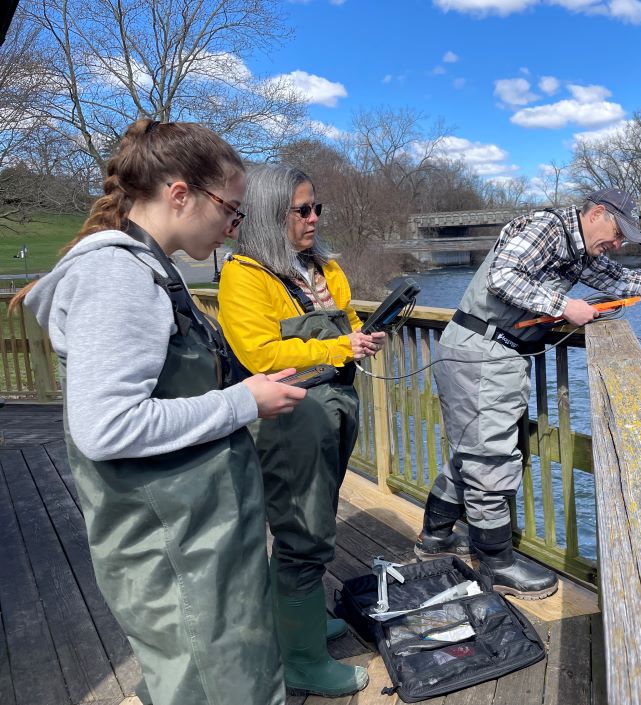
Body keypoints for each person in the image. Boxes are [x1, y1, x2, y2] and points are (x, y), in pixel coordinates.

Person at [14, 119, 308, 705]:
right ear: (181, 194)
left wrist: (242, 392)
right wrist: (241, 401)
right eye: (231, 208)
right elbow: (107, 427)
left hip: (197, 540)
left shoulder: (149, 269)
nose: (234, 226)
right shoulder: (116, 275)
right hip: (176, 553)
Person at [414, 187, 641, 599]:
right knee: (490, 459)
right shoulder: (548, 227)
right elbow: (503, 276)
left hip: (486, 351)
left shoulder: (582, 251)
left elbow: (626, 280)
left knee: (469, 453)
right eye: (618, 233)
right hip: (481, 351)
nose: (617, 245)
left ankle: (434, 539)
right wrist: (564, 305)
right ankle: (495, 563)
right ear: (597, 213)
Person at [216, 164, 385, 697]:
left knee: (318, 521)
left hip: (335, 407)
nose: (314, 219)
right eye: (303, 210)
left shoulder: (324, 268)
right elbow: (260, 354)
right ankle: (303, 661)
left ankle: (302, 623)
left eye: (317, 209)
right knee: (301, 536)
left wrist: (363, 338)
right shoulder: (245, 275)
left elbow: (348, 325)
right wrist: (340, 347)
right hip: (290, 420)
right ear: (271, 214)